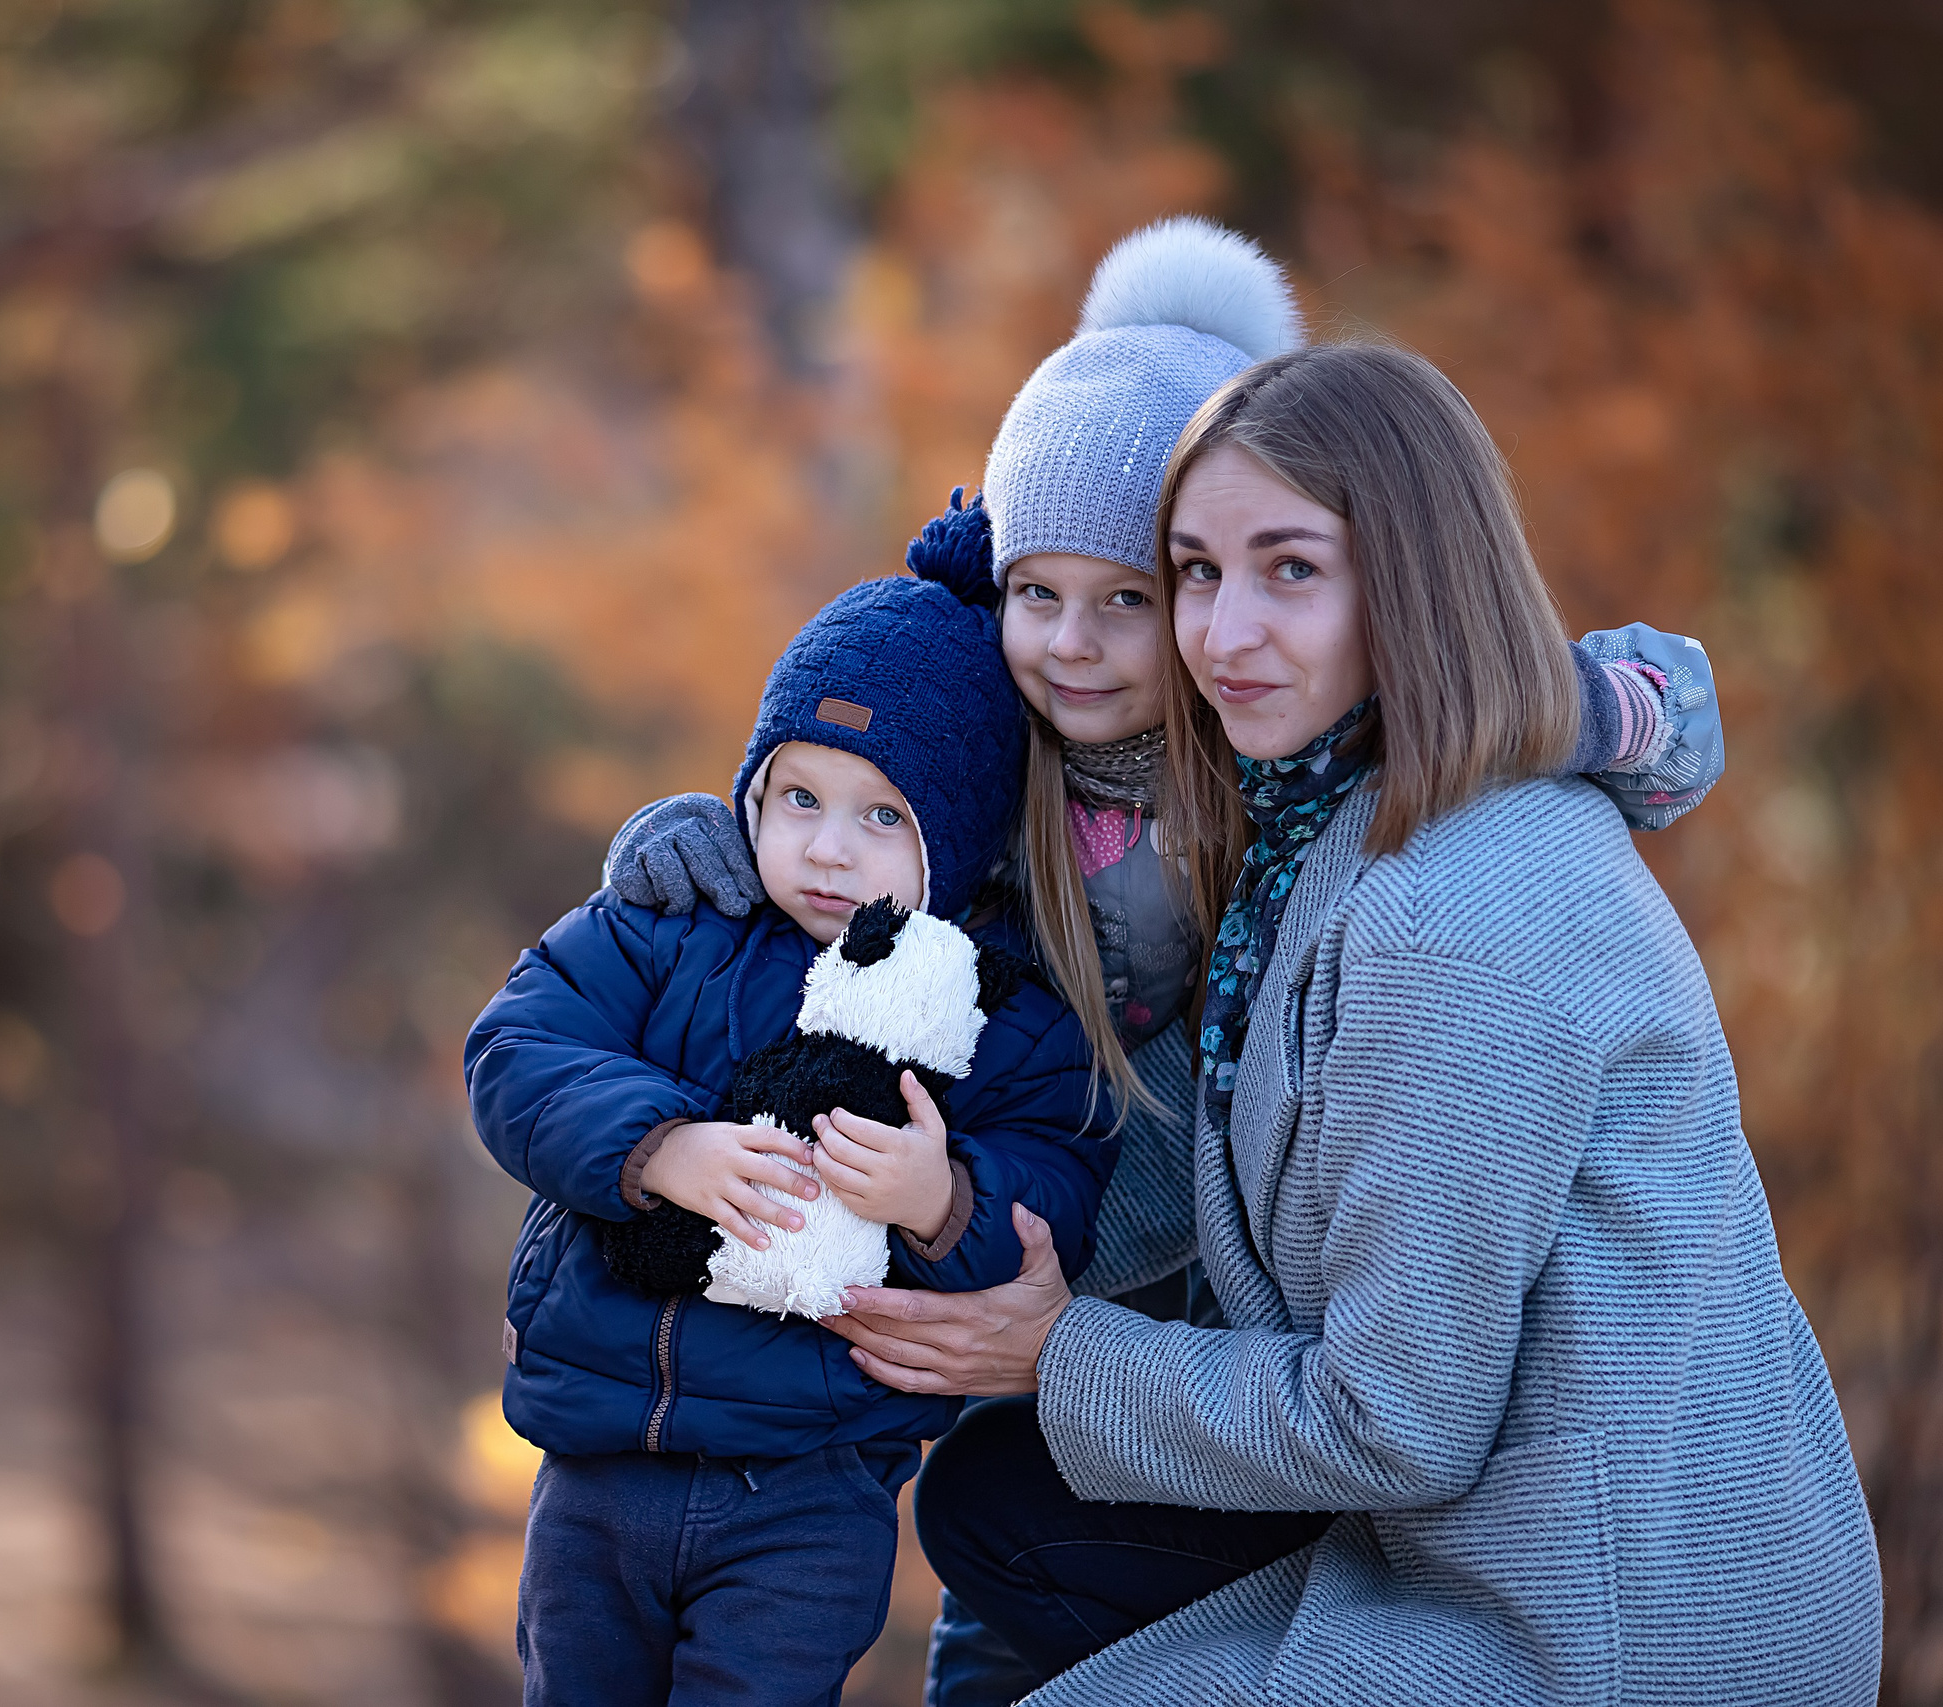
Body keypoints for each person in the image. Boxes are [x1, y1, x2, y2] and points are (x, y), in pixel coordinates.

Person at [601, 216, 1726, 1704]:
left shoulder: (1299, 767)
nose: (1080, 643)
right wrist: (717, 833)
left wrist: (1544, 711)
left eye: (1138, 591)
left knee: (1035, 1487)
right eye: (1045, 591)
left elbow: (1654, 706)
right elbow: (839, 779)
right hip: (1093, 1202)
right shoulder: (995, 721)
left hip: (1254, 1275)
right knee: (986, 1514)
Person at [827, 341, 1883, 1705]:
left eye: (1291, 569)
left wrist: (1053, 1348)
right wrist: (929, 1211)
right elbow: (1217, 1167)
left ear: (1415, 576)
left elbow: (1398, 1423)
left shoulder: (1452, 914)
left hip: (1609, 1624)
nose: (1222, 633)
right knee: (996, 1497)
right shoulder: (1329, 825)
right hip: (1492, 1523)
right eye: (1199, 571)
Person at [465, 571, 1108, 1707]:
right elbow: (518, 1050)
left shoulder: (998, 1013)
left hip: (809, 1489)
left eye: (880, 817)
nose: (825, 851)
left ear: (954, 837)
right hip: (601, 1458)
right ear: (750, 793)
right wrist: (657, 1146)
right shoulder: (667, 925)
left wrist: (939, 1197)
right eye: (797, 797)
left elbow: (1056, 1187)